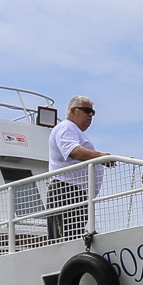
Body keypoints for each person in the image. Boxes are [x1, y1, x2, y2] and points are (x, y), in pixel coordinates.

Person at [46, 95, 103, 240]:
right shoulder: (66, 128)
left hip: (76, 194)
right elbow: (73, 151)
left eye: (93, 112)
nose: (90, 115)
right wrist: (101, 156)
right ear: (73, 111)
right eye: (86, 110)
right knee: (65, 241)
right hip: (66, 192)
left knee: (73, 238)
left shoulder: (74, 131)